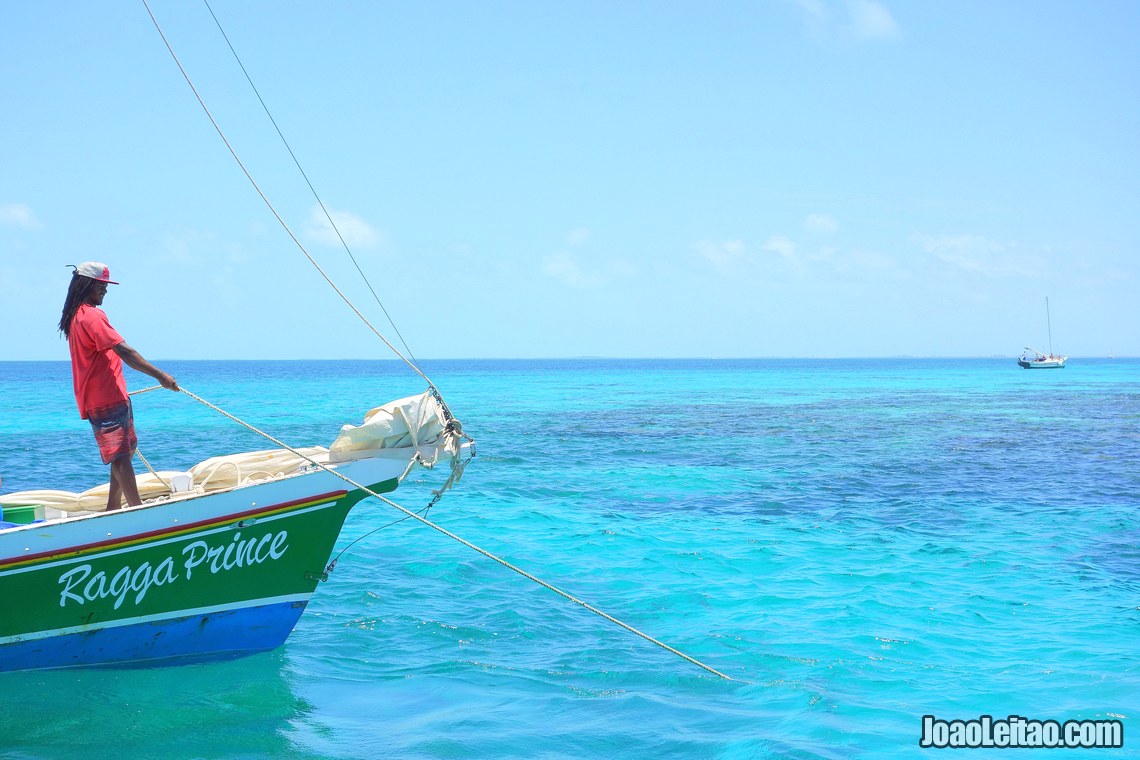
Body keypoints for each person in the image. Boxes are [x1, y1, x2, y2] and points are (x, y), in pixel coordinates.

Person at [58, 262, 179, 510]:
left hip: (106, 396)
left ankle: (113, 507)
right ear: (87, 284)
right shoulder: (91, 316)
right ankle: (136, 510)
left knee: (126, 450)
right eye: (101, 285)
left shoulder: (76, 316)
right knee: (121, 457)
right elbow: (124, 350)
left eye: (106, 286)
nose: (105, 290)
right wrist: (161, 376)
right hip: (106, 398)